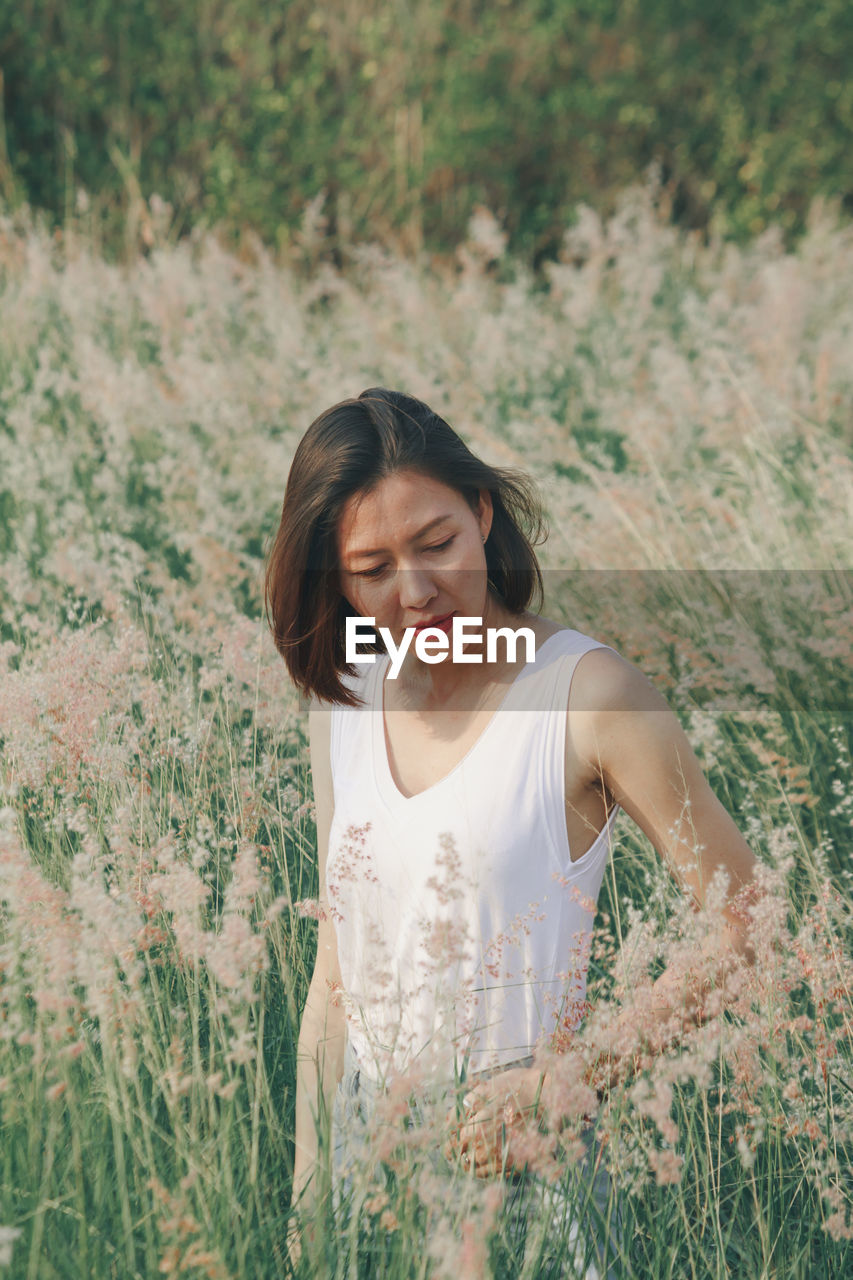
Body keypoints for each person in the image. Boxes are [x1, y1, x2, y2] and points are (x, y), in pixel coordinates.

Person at [264, 388, 759, 1276]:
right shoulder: (342, 697)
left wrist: (568, 1080)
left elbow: (747, 924)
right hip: (364, 1158)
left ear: (483, 513)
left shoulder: (588, 695)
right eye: (371, 566)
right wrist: (309, 1209)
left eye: (437, 543)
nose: (415, 592)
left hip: (526, 1156)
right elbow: (333, 977)